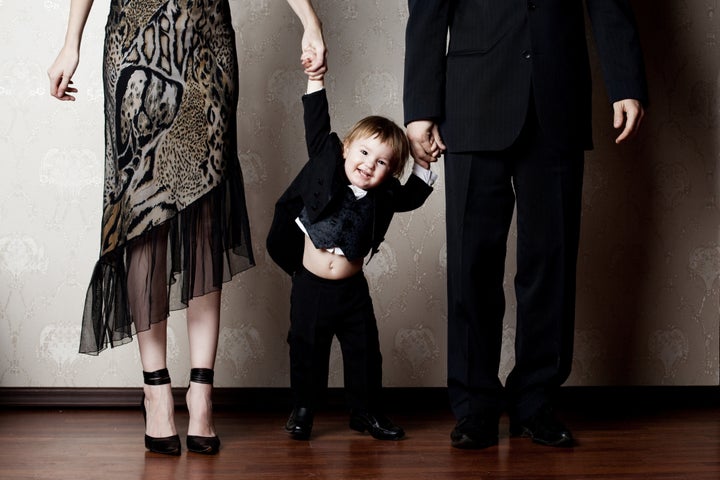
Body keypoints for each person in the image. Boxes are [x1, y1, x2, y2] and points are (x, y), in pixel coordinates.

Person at [48, 0, 326, 456]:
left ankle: (201, 393)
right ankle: (155, 391)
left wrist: (310, 20)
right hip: (134, 42)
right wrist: (70, 43)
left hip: (206, 45)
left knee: (204, 218)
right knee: (142, 221)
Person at [403, 0, 648, 449]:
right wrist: (420, 105)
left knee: (550, 263)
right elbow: (427, 7)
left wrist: (626, 82)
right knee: (471, 263)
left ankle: (536, 404)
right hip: (473, 97)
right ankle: (475, 407)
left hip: (557, 96)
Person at [266, 46, 436, 441]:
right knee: (307, 348)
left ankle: (366, 412)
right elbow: (316, 121)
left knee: (364, 351)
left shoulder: (386, 195)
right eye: (363, 152)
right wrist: (315, 77)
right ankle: (303, 409)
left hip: (351, 291)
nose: (368, 164)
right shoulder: (326, 163)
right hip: (309, 284)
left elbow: (413, 194)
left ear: (390, 172)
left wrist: (424, 161)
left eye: (381, 163)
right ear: (346, 149)